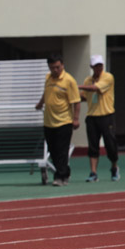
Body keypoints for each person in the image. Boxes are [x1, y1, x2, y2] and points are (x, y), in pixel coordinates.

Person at [35, 54, 81, 186]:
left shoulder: (69, 80)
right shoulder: (48, 78)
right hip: (49, 122)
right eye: (52, 68)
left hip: (64, 121)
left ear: (62, 65)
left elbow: (76, 102)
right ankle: (65, 171)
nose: (55, 70)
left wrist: (76, 119)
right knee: (53, 150)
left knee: (62, 150)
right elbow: (46, 93)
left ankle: (59, 177)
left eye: (57, 67)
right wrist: (40, 103)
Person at [78, 54, 119, 182]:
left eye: (100, 65)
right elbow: (85, 96)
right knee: (93, 145)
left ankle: (114, 166)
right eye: (96, 66)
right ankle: (93, 172)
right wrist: (71, 96)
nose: (99, 68)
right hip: (92, 117)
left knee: (110, 145)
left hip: (106, 116)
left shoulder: (108, 77)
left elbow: (96, 89)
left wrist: (77, 86)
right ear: (92, 67)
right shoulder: (87, 80)